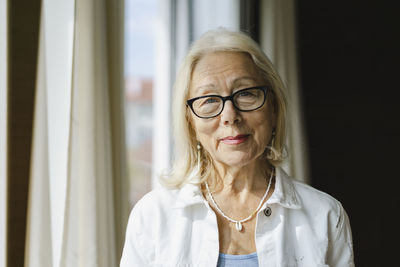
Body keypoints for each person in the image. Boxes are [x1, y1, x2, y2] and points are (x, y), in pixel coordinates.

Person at [120, 28, 354, 267]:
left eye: (246, 94)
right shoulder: (152, 216)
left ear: (273, 107)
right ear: (190, 121)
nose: (230, 116)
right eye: (209, 100)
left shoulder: (325, 216)